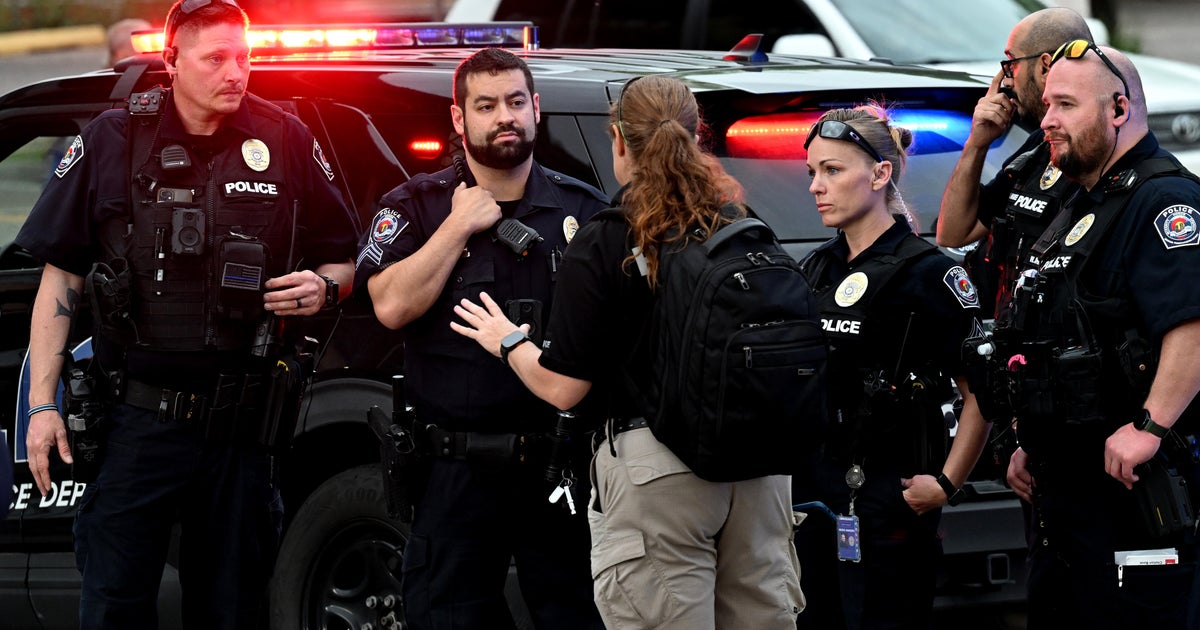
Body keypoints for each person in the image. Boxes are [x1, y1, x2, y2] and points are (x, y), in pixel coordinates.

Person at [17, 0, 358, 627]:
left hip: (243, 429)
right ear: (172, 62)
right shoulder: (112, 140)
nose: (237, 73)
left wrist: (323, 288)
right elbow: (59, 277)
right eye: (217, 59)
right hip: (138, 424)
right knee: (115, 602)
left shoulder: (284, 137)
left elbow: (344, 259)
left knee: (231, 610)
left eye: (245, 58)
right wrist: (42, 407)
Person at [450, 74, 804, 629]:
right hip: (759, 471)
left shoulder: (604, 238)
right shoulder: (740, 224)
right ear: (696, 135)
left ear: (618, 140)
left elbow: (565, 386)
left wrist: (508, 341)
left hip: (658, 474)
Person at [354, 47, 608, 629]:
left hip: (559, 467)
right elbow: (390, 305)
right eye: (486, 105)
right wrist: (459, 222)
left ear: (536, 109)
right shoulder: (416, 207)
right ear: (458, 118)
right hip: (454, 473)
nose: (504, 117)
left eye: (516, 102)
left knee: (578, 617)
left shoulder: (584, 211)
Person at [1003, 41, 1200, 628]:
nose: (1048, 122)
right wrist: (1032, 442)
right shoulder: (1082, 200)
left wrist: (1150, 425)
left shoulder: (1164, 200)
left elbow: (1192, 325)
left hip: (1132, 495)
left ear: (1118, 109)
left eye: (1065, 105)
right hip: (1068, 494)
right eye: (1047, 107)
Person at [794, 106, 990, 630]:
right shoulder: (815, 268)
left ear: (881, 174)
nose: (817, 186)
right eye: (812, 172)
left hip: (890, 499)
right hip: (814, 499)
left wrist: (947, 483)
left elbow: (982, 395)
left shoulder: (929, 273)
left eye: (832, 170)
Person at [937, 7, 1092, 317]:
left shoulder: (1096, 151)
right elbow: (953, 233)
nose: (1006, 81)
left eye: (1011, 64)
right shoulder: (1036, 148)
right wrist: (977, 143)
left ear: (1045, 65)